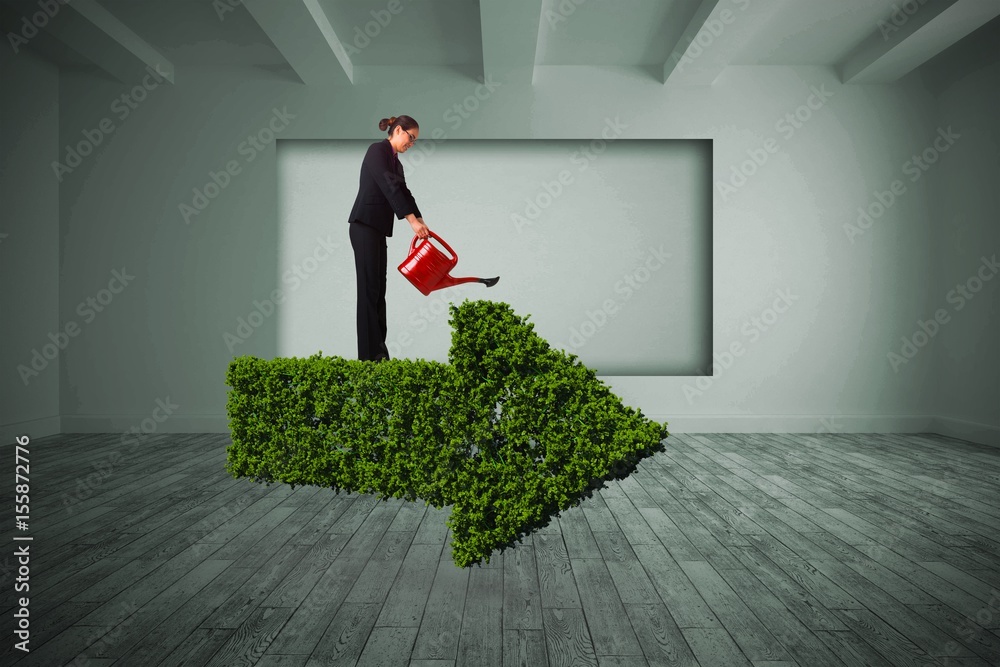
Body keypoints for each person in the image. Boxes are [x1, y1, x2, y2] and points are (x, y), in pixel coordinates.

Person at [348, 115, 431, 362]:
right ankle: (368, 357)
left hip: (377, 229)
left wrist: (420, 219)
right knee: (367, 291)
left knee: (378, 291)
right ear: (397, 130)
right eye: (411, 137)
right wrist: (411, 221)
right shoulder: (377, 151)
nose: (411, 144)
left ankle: (380, 355)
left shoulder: (397, 164)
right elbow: (389, 187)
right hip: (363, 226)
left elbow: (404, 190)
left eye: (415, 141)